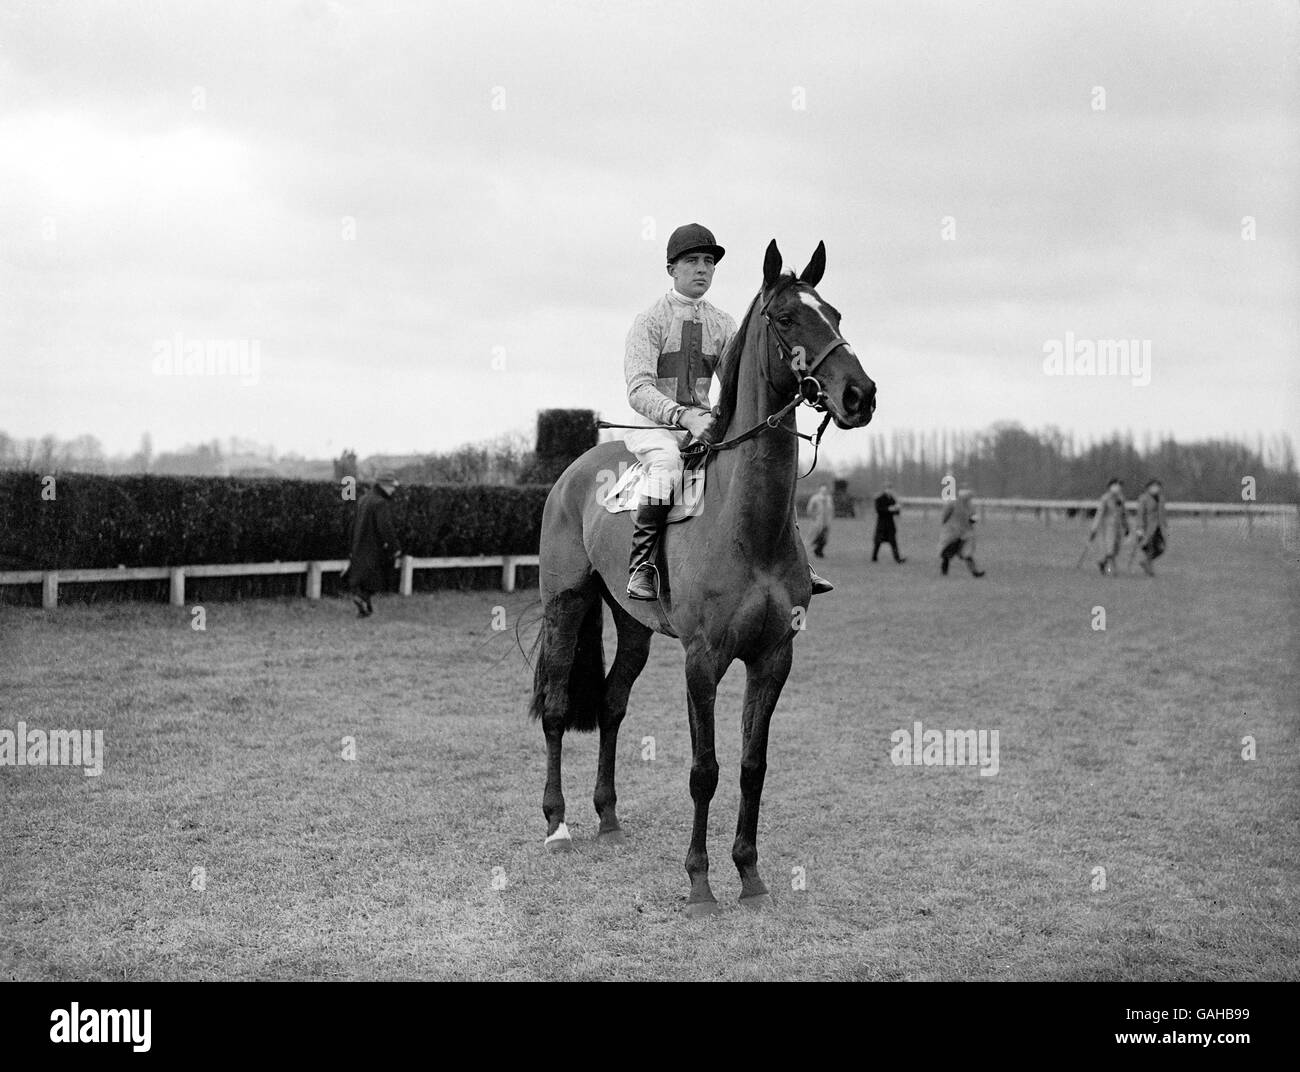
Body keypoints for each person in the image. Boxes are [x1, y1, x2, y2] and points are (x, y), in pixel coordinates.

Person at [623, 222, 833, 600]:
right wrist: (683, 416)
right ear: (672, 269)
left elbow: (737, 386)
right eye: (692, 261)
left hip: (704, 426)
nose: (702, 268)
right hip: (655, 428)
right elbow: (638, 389)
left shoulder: (722, 324)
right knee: (669, 465)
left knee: (762, 467)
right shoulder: (649, 320)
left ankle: (796, 559)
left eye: (708, 261)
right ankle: (642, 564)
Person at [345, 471, 402, 617]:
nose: (393, 490)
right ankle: (362, 598)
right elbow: (385, 527)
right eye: (392, 487)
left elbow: (353, 523)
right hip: (374, 546)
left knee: (364, 577)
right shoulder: (380, 503)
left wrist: (351, 545)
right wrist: (394, 547)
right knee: (377, 578)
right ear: (384, 486)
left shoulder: (363, 499)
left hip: (359, 545)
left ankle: (364, 607)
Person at [939, 488, 985, 577]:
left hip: (964, 534)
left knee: (966, 553)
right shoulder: (953, 504)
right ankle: (944, 572)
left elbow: (973, 518)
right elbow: (945, 516)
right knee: (947, 553)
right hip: (953, 534)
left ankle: (975, 572)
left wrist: (972, 520)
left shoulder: (969, 506)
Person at [1089, 477, 1129, 575]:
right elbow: (1099, 514)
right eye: (1115, 485)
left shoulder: (1121, 498)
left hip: (1118, 526)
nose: (1117, 487)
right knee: (1110, 549)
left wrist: (1126, 526)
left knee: (1116, 548)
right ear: (1110, 486)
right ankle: (1112, 570)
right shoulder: (1105, 498)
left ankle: (1102, 563)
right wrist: (1094, 529)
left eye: (1118, 485)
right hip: (1108, 527)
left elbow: (1123, 513)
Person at [1135, 478, 1168, 576]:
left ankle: (1146, 562)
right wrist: (1139, 528)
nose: (1155, 488)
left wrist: (1165, 524)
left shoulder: (1161, 498)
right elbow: (1140, 514)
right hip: (1147, 528)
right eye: (1153, 486)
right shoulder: (1143, 498)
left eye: (1157, 486)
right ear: (1148, 488)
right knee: (1150, 548)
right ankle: (1149, 569)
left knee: (1161, 548)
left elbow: (1162, 513)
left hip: (1159, 528)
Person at [872, 480, 906, 563]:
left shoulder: (892, 499)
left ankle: (897, 558)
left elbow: (896, 512)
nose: (889, 490)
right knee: (878, 542)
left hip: (890, 524)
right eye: (887, 488)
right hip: (882, 524)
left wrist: (897, 509)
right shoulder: (879, 499)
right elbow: (878, 510)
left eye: (890, 488)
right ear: (884, 489)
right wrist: (889, 509)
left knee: (893, 542)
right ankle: (874, 557)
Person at [807, 484, 834, 558]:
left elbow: (831, 509)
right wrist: (813, 517)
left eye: (825, 490)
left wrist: (830, 518)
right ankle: (811, 552)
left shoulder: (829, 498)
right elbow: (809, 509)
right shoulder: (815, 498)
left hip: (827, 522)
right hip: (817, 521)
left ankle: (819, 552)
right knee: (815, 537)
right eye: (822, 490)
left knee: (824, 538)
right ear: (819, 490)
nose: (824, 492)